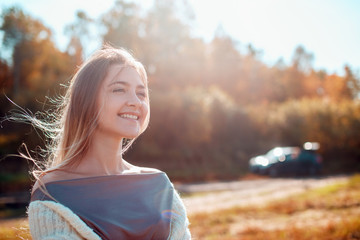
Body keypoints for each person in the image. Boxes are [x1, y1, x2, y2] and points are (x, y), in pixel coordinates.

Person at [27, 46, 191, 239]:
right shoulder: (53, 191)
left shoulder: (159, 184)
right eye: (119, 89)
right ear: (86, 100)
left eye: (141, 93)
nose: (136, 102)